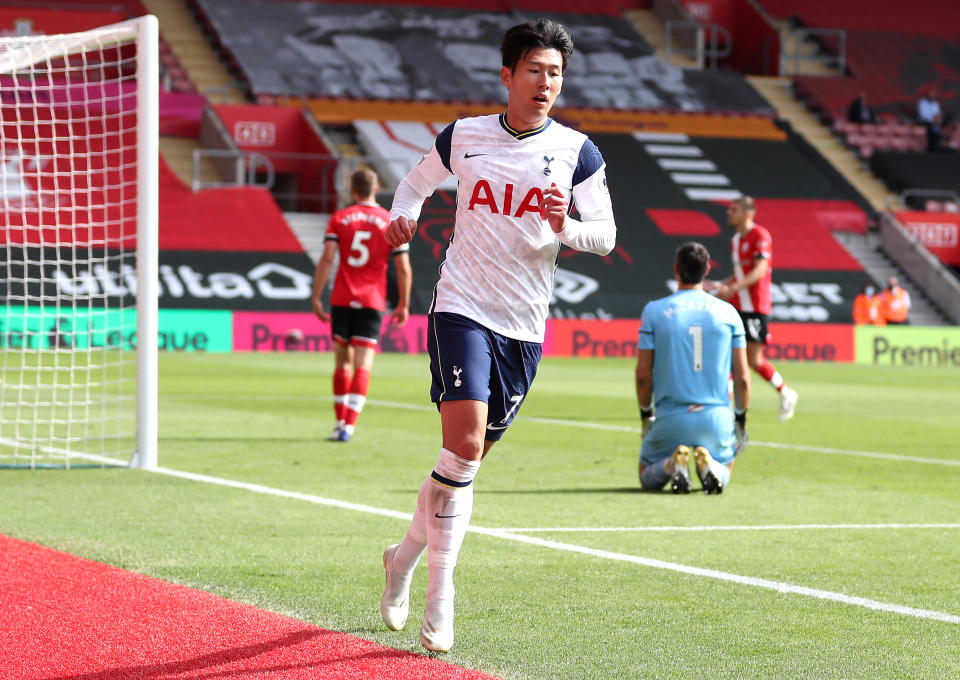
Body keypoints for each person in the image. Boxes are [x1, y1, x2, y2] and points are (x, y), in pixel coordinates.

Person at [379, 18, 616, 654]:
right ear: (507, 75)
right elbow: (412, 186)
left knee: (461, 462)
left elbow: (606, 235)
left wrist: (567, 226)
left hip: (524, 324)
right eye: (536, 71)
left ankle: (400, 559)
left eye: (556, 74)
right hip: (461, 305)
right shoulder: (465, 136)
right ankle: (440, 596)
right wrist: (401, 218)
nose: (546, 83)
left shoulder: (577, 152)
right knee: (464, 442)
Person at [636, 242, 750, 495]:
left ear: (676, 270)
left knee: (645, 473)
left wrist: (646, 415)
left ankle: (670, 464)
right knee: (727, 465)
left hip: (670, 418)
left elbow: (643, 375)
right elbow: (742, 378)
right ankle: (711, 466)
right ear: (707, 269)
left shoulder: (654, 311)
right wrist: (740, 419)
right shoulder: (729, 313)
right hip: (716, 418)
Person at [311, 168, 412, 442]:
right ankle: (349, 427)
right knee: (363, 365)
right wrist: (403, 303)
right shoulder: (387, 220)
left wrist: (316, 295)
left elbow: (327, 259)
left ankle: (338, 422)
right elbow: (403, 268)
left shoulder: (340, 218)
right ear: (376, 187)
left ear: (352, 190)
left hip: (342, 297)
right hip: (372, 300)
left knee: (342, 363)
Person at [708, 196, 798, 421]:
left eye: (734, 210)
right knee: (729, 354)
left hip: (756, 306)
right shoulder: (736, 239)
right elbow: (740, 276)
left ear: (748, 214)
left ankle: (786, 392)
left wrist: (734, 287)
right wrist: (723, 285)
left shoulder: (760, 235)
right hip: (738, 306)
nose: (729, 213)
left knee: (754, 360)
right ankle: (725, 407)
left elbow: (760, 271)